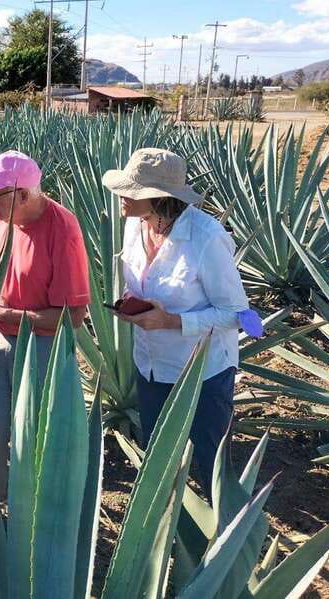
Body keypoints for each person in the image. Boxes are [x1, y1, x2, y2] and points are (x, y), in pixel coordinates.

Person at [102, 147, 249, 492]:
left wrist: (171, 322)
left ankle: (221, 534)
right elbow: (136, 281)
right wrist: (131, 304)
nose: (122, 196)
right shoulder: (136, 226)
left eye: (132, 191)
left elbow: (238, 315)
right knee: (160, 458)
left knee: (209, 467)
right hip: (151, 366)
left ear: (159, 197)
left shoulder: (206, 238)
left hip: (203, 374)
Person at [0, 150, 90, 500]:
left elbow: (73, 318)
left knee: (35, 437)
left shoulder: (62, 228)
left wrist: (8, 316)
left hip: (42, 349)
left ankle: (32, 518)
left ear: (22, 194)